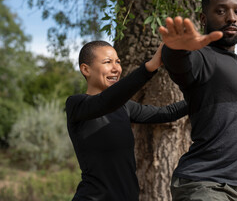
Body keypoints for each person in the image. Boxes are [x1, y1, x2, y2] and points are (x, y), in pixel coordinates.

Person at [159, 0, 237, 201]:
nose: (231, 18)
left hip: (233, 187)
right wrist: (176, 47)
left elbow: (225, 92)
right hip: (206, 187)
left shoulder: (231, 62)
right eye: (221, 11)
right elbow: (180, 65)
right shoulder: (202, 57)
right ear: (203, 18)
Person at [65, 40, 187, 201]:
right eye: (108, 62)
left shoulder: (124, 107)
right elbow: (105, 102)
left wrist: (207, 93)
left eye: (118, 62)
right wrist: (150, 67)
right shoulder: (76, 105)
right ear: (86, 69)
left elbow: (167, 113)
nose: (116, 68)